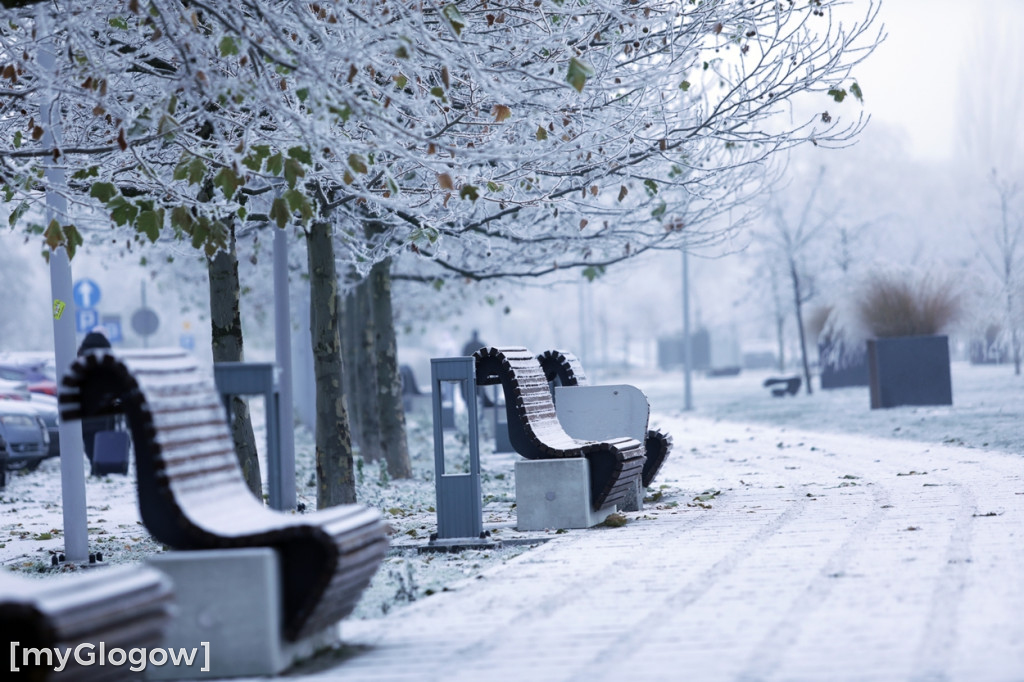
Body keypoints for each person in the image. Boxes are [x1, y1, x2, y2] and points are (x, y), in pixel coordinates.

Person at [77, 327, 116, 464]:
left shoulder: (80, 357)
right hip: (105, 410)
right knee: (105, 437)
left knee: (89, 439)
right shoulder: (108, 358)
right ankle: (102, 463)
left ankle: (94, 462)